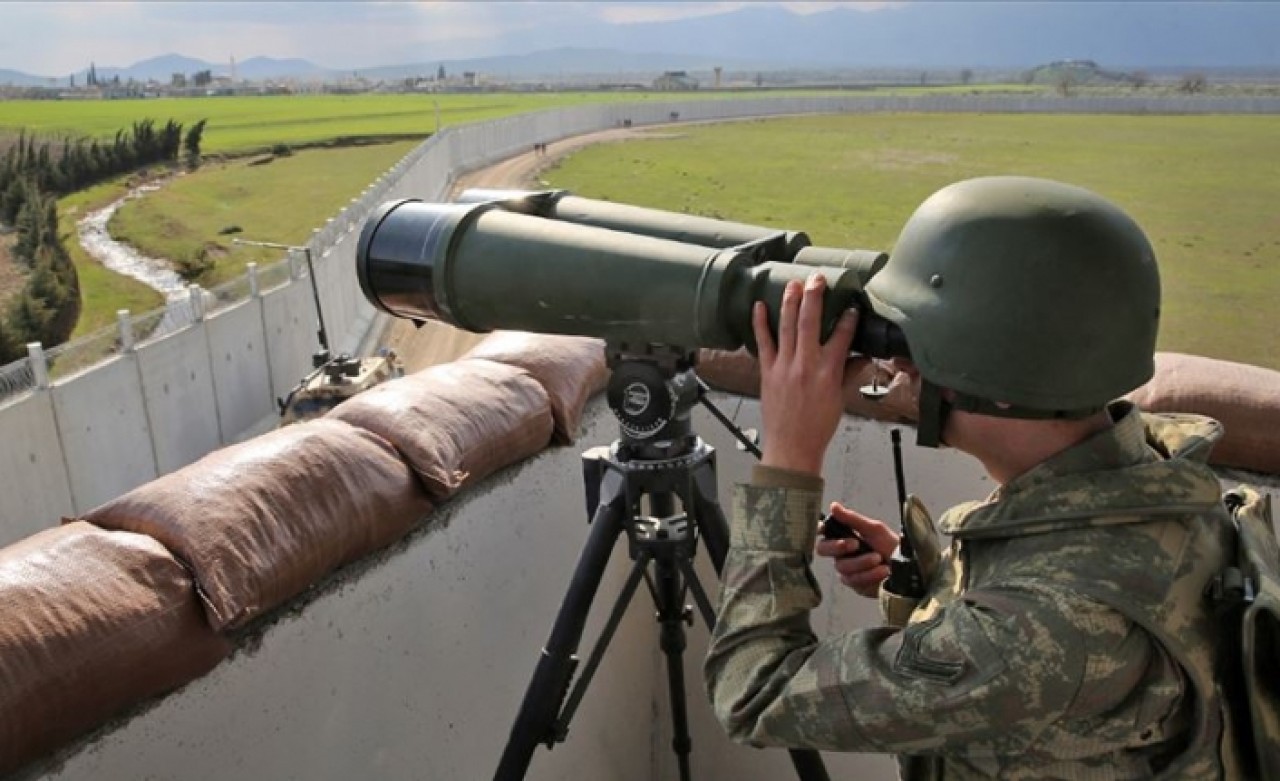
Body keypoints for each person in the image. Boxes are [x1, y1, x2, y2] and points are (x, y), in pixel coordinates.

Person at [703, 176, 1240, 779]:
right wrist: (931, 584)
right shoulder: (1156, 486)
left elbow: (755, 693)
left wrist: (790, 459)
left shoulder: (1046, 628)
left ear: (998, 377)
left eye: (916, 339)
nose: (897, 360)